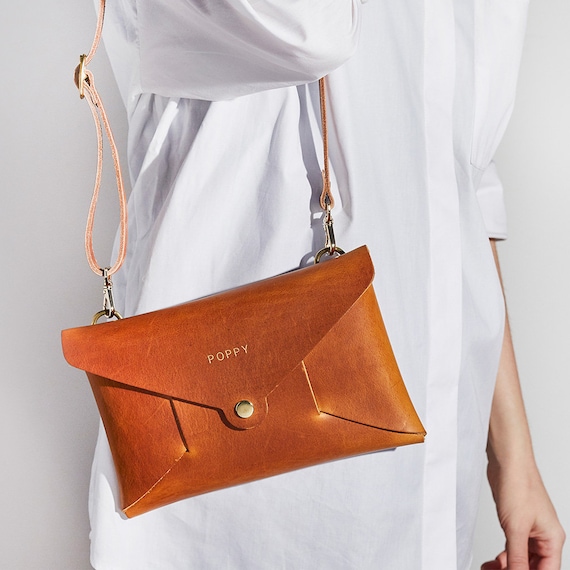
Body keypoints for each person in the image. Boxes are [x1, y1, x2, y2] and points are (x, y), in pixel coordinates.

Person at [87, 0, 565, 568]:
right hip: (222, 482)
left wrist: (513, 458)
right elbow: (308, 31)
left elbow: (463, 177)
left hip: (431, 459)